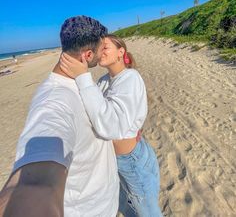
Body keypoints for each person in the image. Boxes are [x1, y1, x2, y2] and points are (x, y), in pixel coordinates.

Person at [0, 16, 119, 217]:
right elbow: (36, 182)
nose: (102, 54)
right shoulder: (54, 101)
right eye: (100, 50)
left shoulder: (82, 82)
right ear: (87, 55)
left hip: (105, 204)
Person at [60, 34, 162, 217]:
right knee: (128, 207)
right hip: (115, 161)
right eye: (100, 48)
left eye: (105, 47)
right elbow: (90, 113)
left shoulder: (130, 77)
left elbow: (109, 125)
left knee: (148, 211)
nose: (100, 51)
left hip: (132, 161)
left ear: (120, 52)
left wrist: (83, 76)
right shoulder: (103, 82)